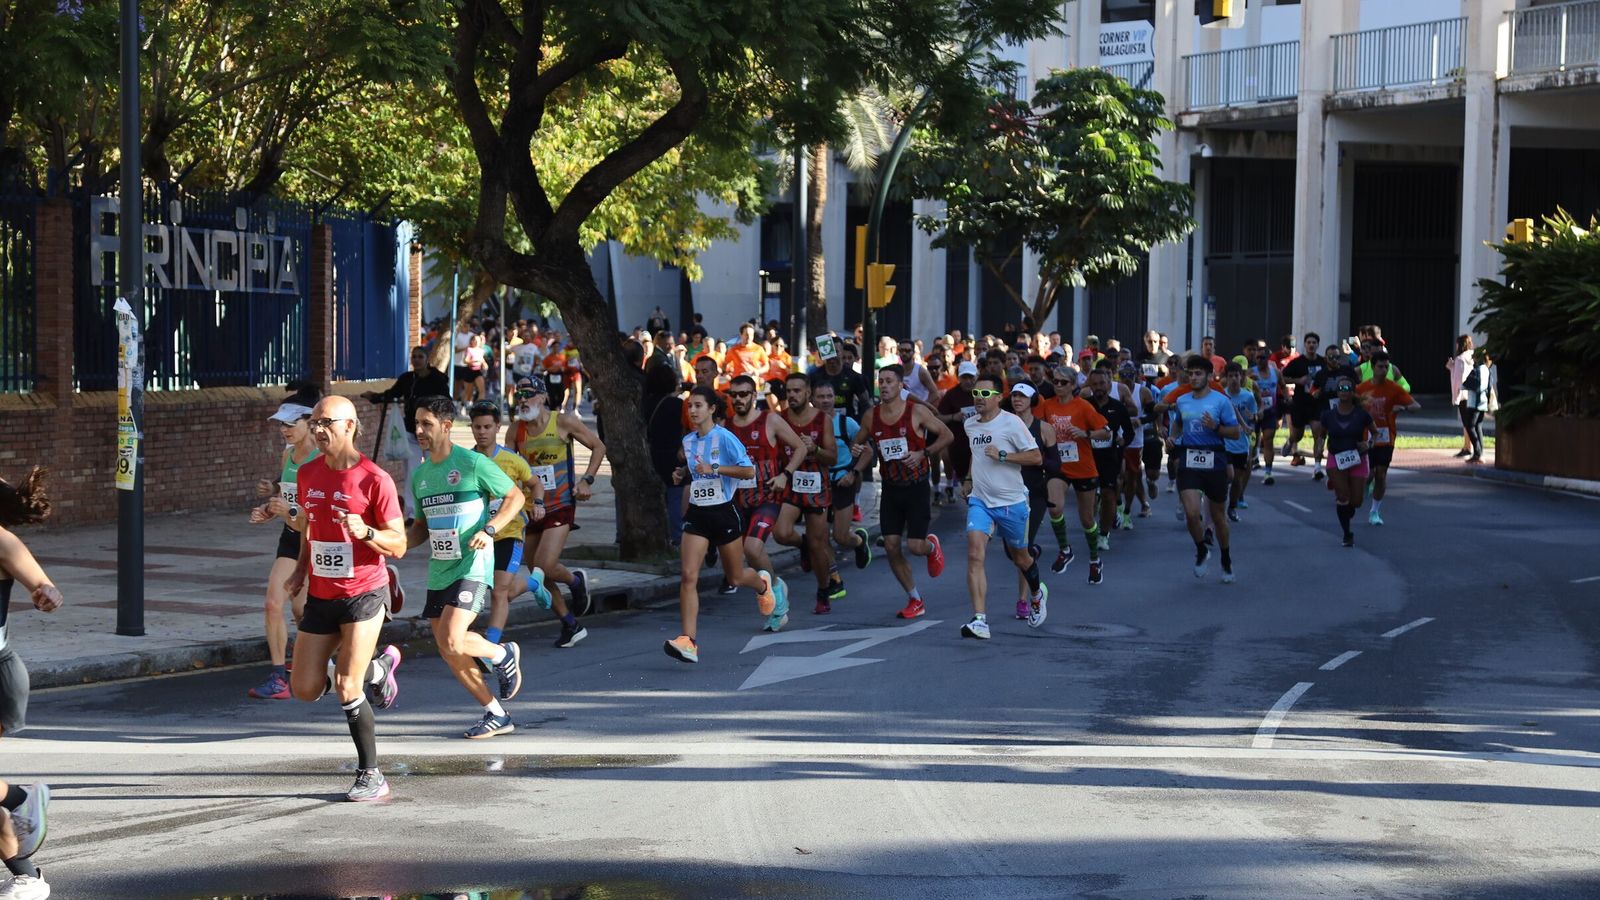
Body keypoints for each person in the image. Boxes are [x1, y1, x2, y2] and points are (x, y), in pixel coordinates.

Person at [284, 395, 408, 802]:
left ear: (350, 426)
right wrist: (301, 571)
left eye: (326, 423)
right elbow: (308, 528)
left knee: (345, 684)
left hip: (364, 593)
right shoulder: (307, 473)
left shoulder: (375, 479)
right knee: (303, 688)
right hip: (322, 594)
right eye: (314, 422)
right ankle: (381, 666)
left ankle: (371, 773)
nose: (318, 430)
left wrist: (366, 532)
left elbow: (400, 544)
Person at [406, 398, 528, 738]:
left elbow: (515, 497)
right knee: (447, 649)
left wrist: (490, 530)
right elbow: (419, 527)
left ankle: (500, 652)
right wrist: (396, 544)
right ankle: (496, 712)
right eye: (417, 423)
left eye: (426, 424)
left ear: (446, 426)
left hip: (473, 565)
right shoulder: (420, 476)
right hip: (439, 569)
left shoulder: (472, 463)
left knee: (455, 638)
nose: (419, 430)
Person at [666, 387, 787, 663]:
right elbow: (696, 469)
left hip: (724, 512)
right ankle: (688, 641)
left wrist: (717, 469)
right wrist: (681, 473)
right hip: (698, 513)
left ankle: (763, 586)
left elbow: (748, 471)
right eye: (690, 406)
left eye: (698, 405)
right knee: (688, 576)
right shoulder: (688, 441)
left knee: (734, 577)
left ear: (712, 409)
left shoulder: (726, 437)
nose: (693, 411)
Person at [0, 468, 64, 899]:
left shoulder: (2, 541)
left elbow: (44, 585)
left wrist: (46, 593)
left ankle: (19, 799)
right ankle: (27, 874)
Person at [507, 378, 606, 648]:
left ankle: (575, 582)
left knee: (545, 565)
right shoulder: (516, 430)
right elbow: (509, 468)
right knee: (538, 573)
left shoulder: (562, 422)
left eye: (528, 395)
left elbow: (599, 447)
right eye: (519, 395)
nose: (523, 400)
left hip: (561, 503)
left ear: (543, 398)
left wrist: (587, 480)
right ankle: (570, 624)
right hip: (530, 508)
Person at [851, 365, 954, 619]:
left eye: (889, 381)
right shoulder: (870, 416)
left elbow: (947, 434)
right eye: (881, 381)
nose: (884, 386)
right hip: (890, 489)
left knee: (916, 547)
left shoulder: (916, 412)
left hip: (916, 487)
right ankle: (915, 599)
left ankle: (931, 546)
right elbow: (860, 443)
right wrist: (857, 451)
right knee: (892, 546)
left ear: (900, 386)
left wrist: (924, 453)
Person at [958, 375, 1048, 638]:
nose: (979, 399)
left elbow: (1035, 456)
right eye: (976, 393)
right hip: (981, 501)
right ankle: (980, 620)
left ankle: (1036, 593)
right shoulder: (970, 425)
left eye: (985, 394)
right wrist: (968, 479)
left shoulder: (1012, 423)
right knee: (975, 555)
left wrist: (1004, 455)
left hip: (1012, 502)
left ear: (999, 397)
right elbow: (977, 457)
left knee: (1020, 557)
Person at [245, 389, 321, 700]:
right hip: (291, 540)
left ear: (310, 423)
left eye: (292, 423)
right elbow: (289, 492)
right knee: (273, 603)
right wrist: (269, 507)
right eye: (281, 423)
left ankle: (345, 662)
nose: (285, 429)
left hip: (317, 543)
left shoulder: (322, 461)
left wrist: (286, 510)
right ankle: (278, 676)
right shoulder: (287, 455)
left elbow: (315, 516)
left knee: (304, 610)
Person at [468, 402, 553, 647]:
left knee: (499, 592)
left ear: (497, 427)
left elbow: (536, 484)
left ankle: (491, 647)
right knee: (497, 591)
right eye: (477, 427)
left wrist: (538, 503)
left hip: (510, 531)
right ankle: (534, 582)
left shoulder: (512, 460)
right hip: (478, 536)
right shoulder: (467, 460)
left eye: (487, 426)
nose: (482, 432)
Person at [771, 373, 839, 613]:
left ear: (808, 393)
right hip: (790, 482)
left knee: (818, 544)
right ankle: (802, 546)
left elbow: (832, 457)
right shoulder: (779, 419)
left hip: (815, 485)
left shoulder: (822, 420)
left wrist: (816, 449)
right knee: (780, 532)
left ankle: (823, 590)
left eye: (797, 391)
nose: (792, 395)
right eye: (789, 391)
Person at [1036, 366, 1111, 586]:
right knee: (1054, 507)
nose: (1058, 386)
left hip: (1083, 467)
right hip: (1057, 466)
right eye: (1055, 382)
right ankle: (1065, 549)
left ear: (1073, 385)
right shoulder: (1047, 405)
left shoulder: (1083, 406)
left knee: (1087, 519)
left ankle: (1095, 560)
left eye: (1063, 383)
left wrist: (1086, 433)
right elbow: (1034, 425)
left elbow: (1106, 431)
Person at [1172, 356, 1241, 582]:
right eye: (1191, 373)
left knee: (1218, 517)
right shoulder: (1182, 401)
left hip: (1215, 460)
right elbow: (1178, 423)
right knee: (1192, 513)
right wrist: (1172, 438)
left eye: (1198, 373)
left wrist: (1216, 427)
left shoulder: (1221, 401)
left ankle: (1226, 557)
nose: (1193, 377)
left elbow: (1235, 432)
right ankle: (1201, 549)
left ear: (1210, 377)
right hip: (1189, 458)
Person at [362, 346, 450, 521]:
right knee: (412, 471)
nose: (416, 360)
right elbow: (391, 394)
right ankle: (411, 513)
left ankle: (438, 508)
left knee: (437, 467)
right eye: (414, 357)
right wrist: (374, 396)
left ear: (427, 359)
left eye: (420, 356)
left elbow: (446, 400)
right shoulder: (407, 379)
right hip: (412, 431)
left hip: (433, 433)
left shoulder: (438, 379)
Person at [812, 381, 872, 588]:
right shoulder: (809, 424)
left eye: (829, 396)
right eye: (821, 396)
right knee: (820, 536)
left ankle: (859, 542)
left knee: (841, 536)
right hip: (818, 484)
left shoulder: (847, 424)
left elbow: (868, 451)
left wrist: (853, 473)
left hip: (841, 483)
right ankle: (835, 579)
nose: (826, 401)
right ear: (812, 399)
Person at [1008, 383, 1059, 612]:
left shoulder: (1044, 429)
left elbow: (1057, 465)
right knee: (1013, 552)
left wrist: (1038, 461)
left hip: (1035, 493)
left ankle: (1023, 600)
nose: (1017, 399)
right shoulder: (1002, 425)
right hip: (1007, 492)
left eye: (1022, 396)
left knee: (1023, 548)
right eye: (1014, 395)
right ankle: (1032, 557)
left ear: (1032, 400)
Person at [1320, 378, 1375, 547]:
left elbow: (1376, 433)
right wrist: (1319, 448)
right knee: (1343, 497)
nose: (1343, 391)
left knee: (1356, 501)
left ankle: (1347, 509)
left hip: (1357, 457)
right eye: (1341, 388)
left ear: (1352, 392)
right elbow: (1322, 435)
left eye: (1347, 388)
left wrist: (1368, 444)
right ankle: (1347, 533)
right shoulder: (1328, 415)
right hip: (1336, 458)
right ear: (1337, 392)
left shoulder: (1361, 414)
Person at [1280, 332, 1326, 476]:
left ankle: (1317, 467)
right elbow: (1283, 378)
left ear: (1318, 345)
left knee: (1318, 434)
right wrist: (1298, 381)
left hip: (1316, 404)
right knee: (1297, 435)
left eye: (1314, 342)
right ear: (1305, 345)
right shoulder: (1297, 362)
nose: (1311, 345)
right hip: (1300, 403)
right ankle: (1290, 441)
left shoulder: (1323, 362)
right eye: (1309, 342)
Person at [1219, 363, 1259, 522]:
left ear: (1241, 377)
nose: (1234, 379)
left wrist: (1252, 418)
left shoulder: (1248, 396)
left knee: (1237, 481)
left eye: (1237, 375)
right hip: (1225, 443)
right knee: (1227, 476)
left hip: (1241, 444)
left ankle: (1232, 507)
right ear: (1226, 378)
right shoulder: (1221, 396)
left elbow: (1254, 418)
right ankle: (1218, 505)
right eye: (1231, 376)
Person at [1252, 351, 1284, 485]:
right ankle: (1253, 459)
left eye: (1263, 357)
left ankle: (1268, 472)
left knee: (1268, 439)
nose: (1260, 360)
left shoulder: (1275, 373)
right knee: (1253, 441)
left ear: (1268, 358)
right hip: (1254, 412)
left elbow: (1282, 385)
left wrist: (1287, 398)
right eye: (1257, 357)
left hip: (1270, 411)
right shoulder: (1250, 373)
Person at [1461, 349, 1495, 463]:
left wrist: (1464, 385)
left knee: (1470, 426)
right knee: (1478, 427)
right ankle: (1480, 452)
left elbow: (1467, 383)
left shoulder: (1476, 370)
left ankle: (1477, 452)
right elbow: (1490, 386)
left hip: (1474, 402)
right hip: (1483, 402)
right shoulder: (1487, 369)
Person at [1447, 334, 1477, 458]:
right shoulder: (1473, 356)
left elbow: (1457, 379)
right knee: (1471, 422)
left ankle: (1467, 446)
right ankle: (1468, 446)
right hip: (1473, 393)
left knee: (1466, 422)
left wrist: (1451, 367)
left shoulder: (1460, 359)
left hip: (1463, 394)